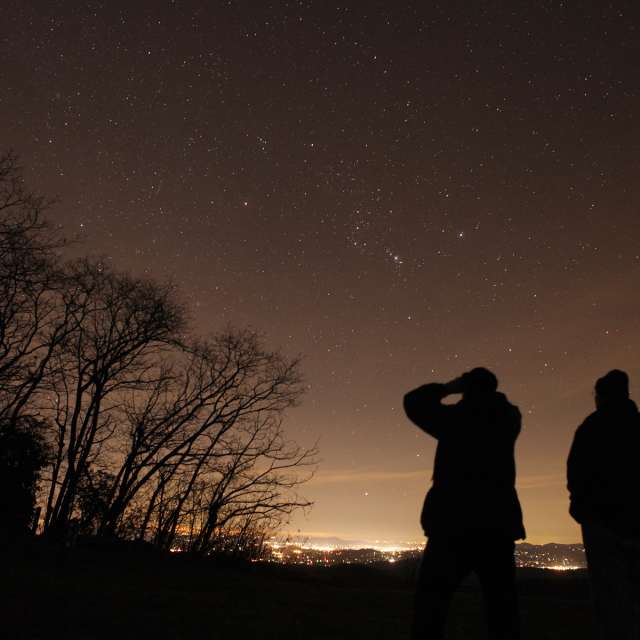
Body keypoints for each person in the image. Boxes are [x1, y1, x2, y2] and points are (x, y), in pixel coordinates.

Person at [404, 367, 524, 640]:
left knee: (431, 607)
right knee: (502, 610)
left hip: (452, 523)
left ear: (467, 389)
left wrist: (448, 387)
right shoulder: (509, 417)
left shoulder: (456, 419)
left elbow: (412, 402)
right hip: (497, 523)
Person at [567, 369, 640, 640]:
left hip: (599, 522)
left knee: (608, 594)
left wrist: (581, 509)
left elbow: (575, 472)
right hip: (632, 521)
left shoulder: (591, 427)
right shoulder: (636, 424)